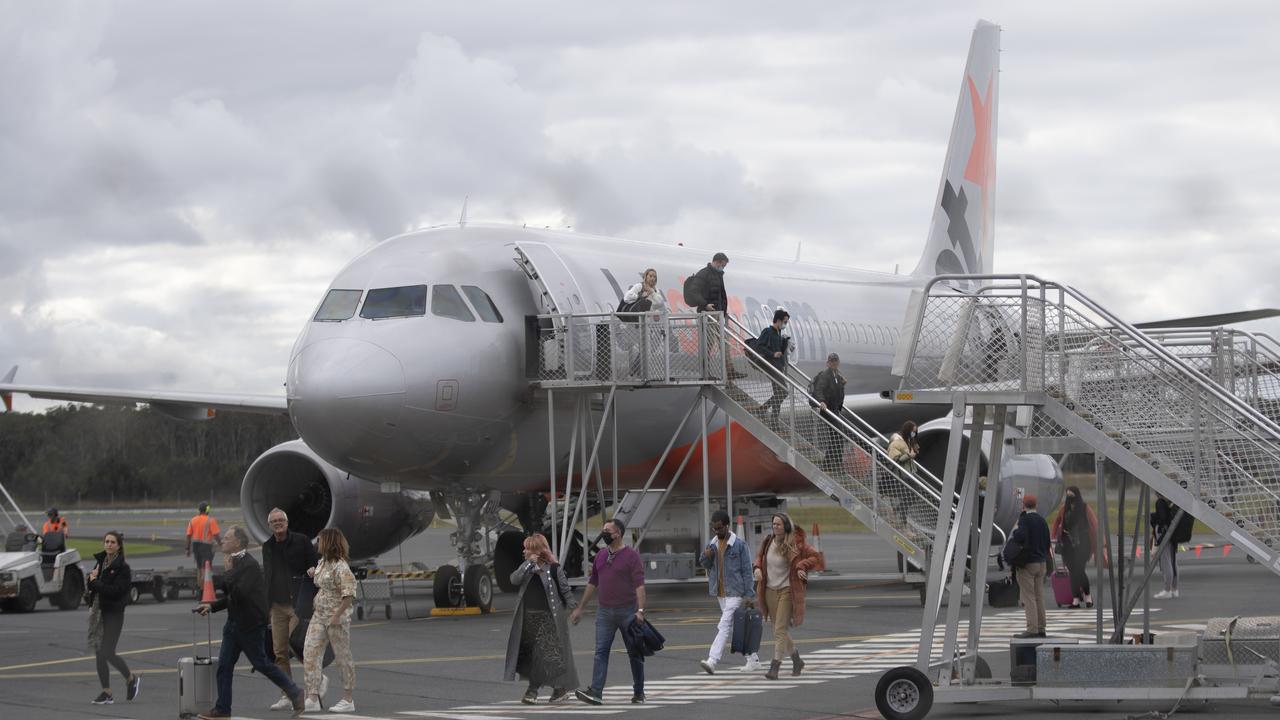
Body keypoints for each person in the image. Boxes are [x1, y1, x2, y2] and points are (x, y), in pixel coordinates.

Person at [195, 526, 305, 719]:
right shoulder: (235, 562)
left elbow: (239, 594)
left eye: (227, 538)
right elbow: (230, 596)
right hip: (233, 624)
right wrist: (211, 606)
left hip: (250, 626)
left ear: (238, 542)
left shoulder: (249, 565)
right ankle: (222, 709)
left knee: (262, 663)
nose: (223, 541)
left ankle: (295, 693)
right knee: (224, 667)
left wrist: (228, 571)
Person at [571, 518, 647, 705]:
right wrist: (580, 608)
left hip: (628, 611)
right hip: (605, 612)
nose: (604, 534)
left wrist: (641, 610)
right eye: (603, 530)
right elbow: (592, 583)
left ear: (618, 534)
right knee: (601, 651)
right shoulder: (601, 556)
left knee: (634, 653)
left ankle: (639, 692)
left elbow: (640, 586)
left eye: (608, 531)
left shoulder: (631, 556)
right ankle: (596, 692)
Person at [505, 533, 578, 704]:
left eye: (527, 549)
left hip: (549, 618)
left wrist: (574, 611)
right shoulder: (527, 568)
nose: (523, 551)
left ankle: (532, 691)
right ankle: (559, 690)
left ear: (536, 551)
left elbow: (566, 592)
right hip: (529, 619)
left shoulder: (554, 569)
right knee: (542, 657)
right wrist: (529, 562)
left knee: (540, 655)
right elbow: (514, 580)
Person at [261, 508, 321, 711]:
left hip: (297, 605)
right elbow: (267, 576)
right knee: (279, 652)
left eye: (281, 520)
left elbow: (315, 565)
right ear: (269, 525)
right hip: (277, 606)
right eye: (274, 521)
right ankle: (287, 693)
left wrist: (313, 573)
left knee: (299, 646)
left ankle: (315, 688)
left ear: (287, 523)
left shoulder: (301, 541)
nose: (278, 523)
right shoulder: (267, 546)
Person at [753, 512, 821, 679]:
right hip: (769, 590)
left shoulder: (796, 544)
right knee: (779, 629)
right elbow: (759, 557)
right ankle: (797, 660)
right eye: (774, 524)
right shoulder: (768, 541)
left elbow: (815, 557)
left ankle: (774, 666)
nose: (775, 527)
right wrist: (757, 568)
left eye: (779, 524)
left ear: (786, 527)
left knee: (779, 630)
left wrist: (801, 566)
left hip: (786, 590)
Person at [698, 510, 762, 674]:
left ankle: (712, 661)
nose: (717, 531)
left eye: (719, 528)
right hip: (720, 592)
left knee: (724, 624)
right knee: (735, 627)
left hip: (736, 592)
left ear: (727, 526)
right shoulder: (712, 544)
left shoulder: (739, 545)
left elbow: (747, 571)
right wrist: (706, 556)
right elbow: (704, 564)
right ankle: (753, 659)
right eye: (714, 529)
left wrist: (749, 595)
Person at [303, 528, 356, 713]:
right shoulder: (322, 563)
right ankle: (312, 695)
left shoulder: (341, 567)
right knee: (310, 652)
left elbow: (348, 595)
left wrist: (336, 616)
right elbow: (320, 579)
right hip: (319, 615)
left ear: (329, 542)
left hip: (336, 618)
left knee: (342, 657)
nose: (317, 543)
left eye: (320, 540)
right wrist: (313, 572)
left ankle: (348, 698)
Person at [86, 531, 141, 705]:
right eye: (106, 541)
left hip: (114, 614)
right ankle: (107, 692)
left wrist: (95, 582)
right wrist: (91, 581)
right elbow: (93, 585)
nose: (109, 544)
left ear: (118, 545)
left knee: (107, 652)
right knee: (99, 653)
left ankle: (131, 679)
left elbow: (115, 591)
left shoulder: (123, 568)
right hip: (98, 613)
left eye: (112, 542)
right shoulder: (100, 562)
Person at [1008, 494, 1051, 638]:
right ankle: (1041, 627)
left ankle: (1032, 628)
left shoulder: (1024, 520)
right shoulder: (1042, 520)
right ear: (1036, 505)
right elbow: (1047, 542)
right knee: (1039, 596)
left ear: (1023, 505)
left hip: (1028, 563)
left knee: (1029, 597)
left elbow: (1019, 536)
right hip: (1041, 562)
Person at [1050, 486, 1097, 608]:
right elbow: (1056, 522)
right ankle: (1076, 598)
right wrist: (1053, 536)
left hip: (1083, 544)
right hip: (1067, 545)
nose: (1070, 498)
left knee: (1079, 570)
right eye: (1068, 495)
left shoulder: (1085, 508)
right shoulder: (1063, 509)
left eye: (1072, 495)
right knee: (1072, 572)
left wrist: (1100, 543)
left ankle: (1087, 596)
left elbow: (1094, 523)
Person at [622, 268, 668, 378]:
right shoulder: (639, 287)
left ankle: (635, 371)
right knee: (643, 348)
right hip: (636, 324)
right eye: (650, 276)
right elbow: (627, 297)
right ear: (645, 277)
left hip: (647, 324)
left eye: (654, 277)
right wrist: (639, 296)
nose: (652, 278)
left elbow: (659, 302)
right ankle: (635, 371)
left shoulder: (654, 291)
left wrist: (652, 293)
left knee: (646, 349)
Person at [811, 353, 848, 472]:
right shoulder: (825, 375)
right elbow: (819, 389)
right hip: (827, 410)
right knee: (838, 435)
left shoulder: (837, 375)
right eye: (832, 361)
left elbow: (835, 389)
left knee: (835, 437)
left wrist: (842, 384)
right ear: (828, 363)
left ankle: (827, 464)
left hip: (834, 409)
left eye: (836, 361)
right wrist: (821, 401)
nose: (834, 363)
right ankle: (836, 464)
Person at [1151, 494, 1190, 600]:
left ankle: (1167, 589)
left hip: (1164, 534)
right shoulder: (1170, 502)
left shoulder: (1160, 502)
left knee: (1166, 562)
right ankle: (1174, 589)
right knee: (1173, 561)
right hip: (1172, 533)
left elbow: (1163, 518)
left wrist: (1154, 518)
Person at [756, 309, 791, 420]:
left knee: (779, 394)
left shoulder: (778, 333)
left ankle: (773, 421)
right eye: (784, 322)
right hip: (771, 366)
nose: (785, 324)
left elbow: (780, 350)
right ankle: (763, 409)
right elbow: (759, 346)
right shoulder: (768, 332)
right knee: (783, 391)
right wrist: (772, 354)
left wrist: (785, 343)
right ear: (778, 320)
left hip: (778, 366)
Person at [187, 503, 222, 589]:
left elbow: (188, 535)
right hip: (206, 547)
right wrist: (220, 543)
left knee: (199, 568)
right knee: (206, 568)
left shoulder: (192, 520)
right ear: (207, 510)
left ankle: (200, 589)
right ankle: (205, 589)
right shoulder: (210, 520)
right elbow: (216, 534)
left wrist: (187, 548)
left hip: (196, 546)